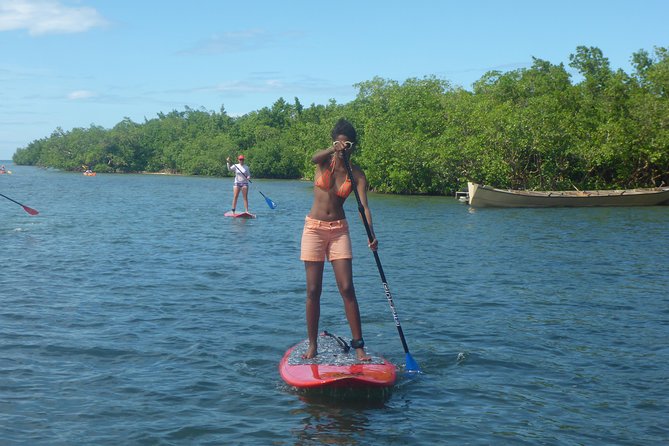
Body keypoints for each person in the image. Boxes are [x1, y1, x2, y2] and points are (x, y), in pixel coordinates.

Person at [300, 118, 378, 361]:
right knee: (314, 290)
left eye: (347, 144)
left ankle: (359, 347)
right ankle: (312, 345)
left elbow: (364, 207)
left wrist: (371, 234)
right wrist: (333, 150)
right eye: (337, 143)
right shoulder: (324, 161)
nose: (342, 147)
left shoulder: (357, 175)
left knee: (347, 288)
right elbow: (314, 157)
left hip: (339, 230)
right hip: (314, 228)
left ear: (353, 147)